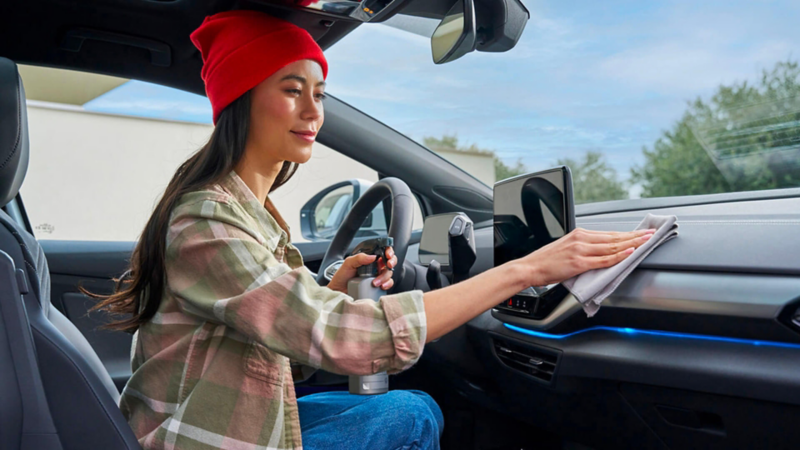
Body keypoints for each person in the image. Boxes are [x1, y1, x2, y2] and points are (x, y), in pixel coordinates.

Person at [87, 10, 655, 450]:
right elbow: (345, 340)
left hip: (226, 419)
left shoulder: (246, 214)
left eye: (320, 94)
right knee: (412, 414)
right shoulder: (208, 219)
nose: (314, 112)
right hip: (199, 438)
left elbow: (282, 346)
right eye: (291, 90)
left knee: (415, 407)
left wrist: (331, 292)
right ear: (240, 97)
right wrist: (527, 269)